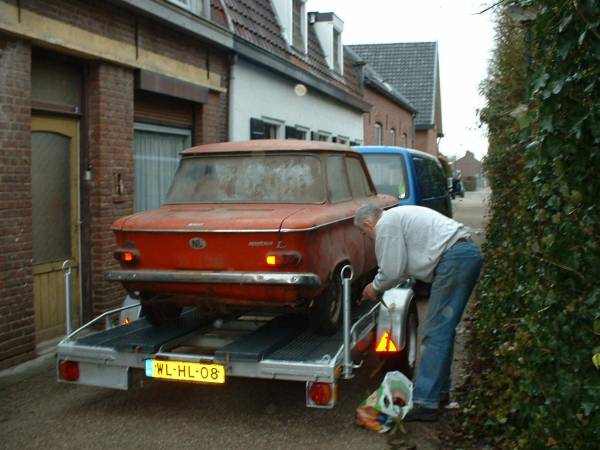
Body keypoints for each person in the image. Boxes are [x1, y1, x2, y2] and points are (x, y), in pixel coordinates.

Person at [354, 203, 482, 422]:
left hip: (455, 259)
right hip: (462, 255)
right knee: (443, 330)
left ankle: (425, 402)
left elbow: (391, 270)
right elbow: (402, 267)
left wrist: (373, 288)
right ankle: (439, 393)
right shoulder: (397, 217)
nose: (368, 238)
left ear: (368, 223)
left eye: (365, 234)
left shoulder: (386, 223)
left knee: (434, 332)